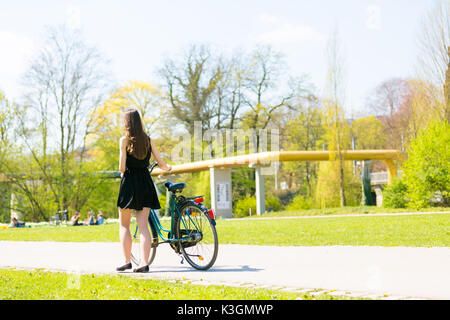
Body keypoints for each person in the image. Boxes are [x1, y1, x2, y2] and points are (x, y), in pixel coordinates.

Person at [116, 109, 171, 273]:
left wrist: (122, 170)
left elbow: (122, 167)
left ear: (127, 123)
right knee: (143, 227)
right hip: (145, 182)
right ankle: (144, 263)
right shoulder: (149, 140)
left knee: (124, 225)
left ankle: (127, 261)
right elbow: (161, 164)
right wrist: (168, 168)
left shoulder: (124, 141)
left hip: (129, 183)